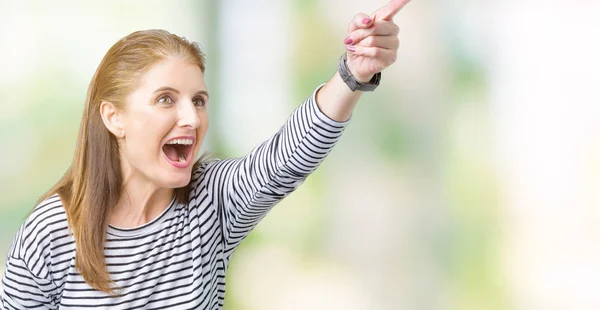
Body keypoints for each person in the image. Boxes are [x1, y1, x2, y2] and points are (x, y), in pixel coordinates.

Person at [1, 0, 410, 309]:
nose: (191, 119)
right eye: (166, 99)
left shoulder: (210, 200)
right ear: (114, 117)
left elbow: (286, 158)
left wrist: (352, 74)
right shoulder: (54, 231)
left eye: (198, 100)